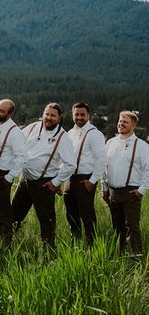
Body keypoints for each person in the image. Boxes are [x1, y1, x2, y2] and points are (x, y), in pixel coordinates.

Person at [11, 103, 76, 247]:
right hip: (25, 180)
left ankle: (49, 252)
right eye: (47, 114)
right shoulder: (33, 127)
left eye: (53, 115)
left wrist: (56, 182)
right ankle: (8, 245)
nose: (48, 117)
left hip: (44, 184)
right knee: (14, 215)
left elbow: (70, 164)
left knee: (46, 221)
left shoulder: (63, 138)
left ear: (60, 118)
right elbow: (18, 143)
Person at [102, 110, 149, 254]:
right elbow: (104, 167)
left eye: (125, 122)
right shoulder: (110, 142)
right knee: (117, 226)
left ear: (133, 126)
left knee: (132, 228)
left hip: (131, 193)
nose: (121, 123)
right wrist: (104, 188)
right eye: (120, 120)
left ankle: (135, 259)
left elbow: (148, 170)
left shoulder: (142, 146)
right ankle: (120, 255)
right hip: (113, 192)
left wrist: (141, 190)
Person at [0, 98, 26, 248]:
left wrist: (9, 178)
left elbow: (21, 157)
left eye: (1, 111)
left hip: (1, 176)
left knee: (3, 215)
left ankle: (6, 246)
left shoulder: (15, 132)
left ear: (10, 114)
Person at [64, 102, 107, 245]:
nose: (79, 117)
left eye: (82, 114)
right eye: (76, 114)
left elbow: (102, 159)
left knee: (87, 216)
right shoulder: (70, 133)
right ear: (72, 115)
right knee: (71, 215)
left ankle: (91, 247)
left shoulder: (95, 134)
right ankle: (75, 244)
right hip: (69, 179)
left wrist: (92, 181)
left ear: (88, 115)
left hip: (85, 180)